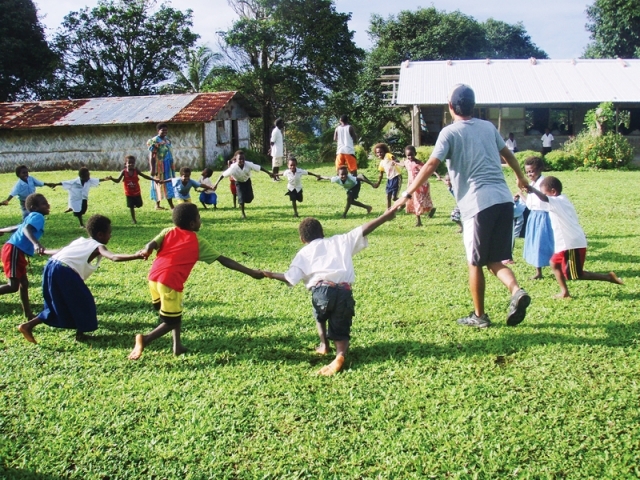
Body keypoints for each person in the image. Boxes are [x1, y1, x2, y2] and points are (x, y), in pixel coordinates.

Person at [392, 84, 531, 328]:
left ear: (450, 107)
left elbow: (431, 164)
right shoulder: (488, 127)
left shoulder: (449, 132)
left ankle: (479, 316)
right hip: (504, 200)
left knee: (474, 261)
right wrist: (520, 178)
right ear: (473, 106)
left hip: (478, 205)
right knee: (493, 259)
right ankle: (516, 291)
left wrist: (407, 192)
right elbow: (508, 156)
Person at [262, 209, 396, 376]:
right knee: (341, 328)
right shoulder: (340, 240)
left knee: (319, 315)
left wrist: (270, 274)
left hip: (321, 291)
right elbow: (364, 229)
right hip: (344, 290)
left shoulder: (304, 253)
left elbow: (290, 278)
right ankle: (340, 354)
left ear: (302, 239)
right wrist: (384, 217)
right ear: (323, 233)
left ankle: (324, 345)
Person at [128, 203, 264, 360]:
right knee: (171, 321)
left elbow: (151, 244)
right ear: (192, 223)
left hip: (153, 278)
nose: (200, 220)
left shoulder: (168, 231)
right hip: (170, 282)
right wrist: (252, 272)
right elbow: (224, 260)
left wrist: (147, 249)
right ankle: (144, 339)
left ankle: (177, 346)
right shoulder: (197, 241)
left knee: (175, 313)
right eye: (199, 217)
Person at [17, 215, 146, 344]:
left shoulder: (80, 240)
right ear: (100, 235)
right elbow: (114, 257)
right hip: (65, 271)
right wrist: (136, 256)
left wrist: (44, 251)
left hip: (51, 265)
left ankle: (28, 326)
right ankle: (81, 333)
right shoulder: (98, 246)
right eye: (109, 233)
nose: (110, 236)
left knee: (59, 303)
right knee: (85, 302)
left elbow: (60, 251)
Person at [526, 176, 623, 298]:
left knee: (575, 275)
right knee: (554, 263)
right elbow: (540, 203)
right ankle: (564, 292)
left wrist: (532, 189)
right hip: (565, 243)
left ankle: (608, 277)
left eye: (545, 192)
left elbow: (544, 198)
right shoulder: (560, 201)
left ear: (553, 191)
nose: (544, 195)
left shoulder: (557, 201)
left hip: (572, 244)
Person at [0, 193, 50, 319]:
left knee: (24, 283)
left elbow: (18, 227)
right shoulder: (38, 216)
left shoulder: (32, 216)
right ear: (34, 207)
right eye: (44, 204)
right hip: (14, 250)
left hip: (16, 250)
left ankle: (28, 314)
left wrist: (2, 230)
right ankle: (28, 313)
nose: (48, 205)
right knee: (13, 286)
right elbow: (26, 229)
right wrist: (36, 244)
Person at [212, 150, 275, 219]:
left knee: (249, 199)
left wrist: (269, 173)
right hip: (238, 182)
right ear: (236, 159)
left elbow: (259, 167)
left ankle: (241, 201)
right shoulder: (233, 168)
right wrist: (216, 184)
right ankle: (243, 213)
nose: (242, 160)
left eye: (243, 159)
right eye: (240, 159)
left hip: (247, 181)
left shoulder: (248, 164)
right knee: (241, 198)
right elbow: (222, 175)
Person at [521, 156, 554, 279]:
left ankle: (559, 266)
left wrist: (533, 190)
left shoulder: (544, 183)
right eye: (528, 172)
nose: (530, 174)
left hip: (544, 216)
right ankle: (538, 272)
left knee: (544, 243)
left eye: (532, 171)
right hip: (533, 216)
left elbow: (546, 199)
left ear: (540, 169)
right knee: (534, 243)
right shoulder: (532, 184)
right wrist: (521, 194)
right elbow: (530, 204)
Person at [110, 155, 160, 224]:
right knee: (131, 207)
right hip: (129, 193)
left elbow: (144, 176)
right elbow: (118, 180)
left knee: (139, 204)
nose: (131, 164)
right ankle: (133, 219)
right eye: (129, 163)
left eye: (133, 163)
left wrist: (154, 179)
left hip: (137, 192)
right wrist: (111, 178)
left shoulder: (136, 171)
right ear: (125, 164)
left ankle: (135, 205)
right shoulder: (123, 172)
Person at [403, 145, 435, 227]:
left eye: (412, 155)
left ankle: (419, 221)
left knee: (419, 201)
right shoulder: (406, 162)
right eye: (408, 155)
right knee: (415, 201)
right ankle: (431, 209)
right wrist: (395, 162)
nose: (410, 157)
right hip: (411, 185)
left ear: (415, 154)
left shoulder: (419, 163)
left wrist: (437, 175)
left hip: (420, 185)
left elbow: (427, 169)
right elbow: (403, 164)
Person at [147, 123, 176, 210]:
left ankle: (170, 205)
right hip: (158, 166)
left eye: (166, 130)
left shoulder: (167, 140)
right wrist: (153, 168)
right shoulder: (154, 141)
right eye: (162, 130)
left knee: (168, 183)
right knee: (158, 183)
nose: (164, 132)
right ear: (158, 131)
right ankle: (158, 205)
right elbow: (152, 156)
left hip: (168, 166)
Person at [372, 143, 403, 209]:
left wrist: (395, 161)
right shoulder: (381, 163)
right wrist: (378, 183)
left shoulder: (387, 155)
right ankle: (388, 210)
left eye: (381, 152)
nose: (379, 154)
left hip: (396, 177)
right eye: (377, 152)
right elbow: (381, 174)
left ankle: (403, 203)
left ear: (384, 151)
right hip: (389, 179)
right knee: (388, 195)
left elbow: (393, 157)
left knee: (394, 198)